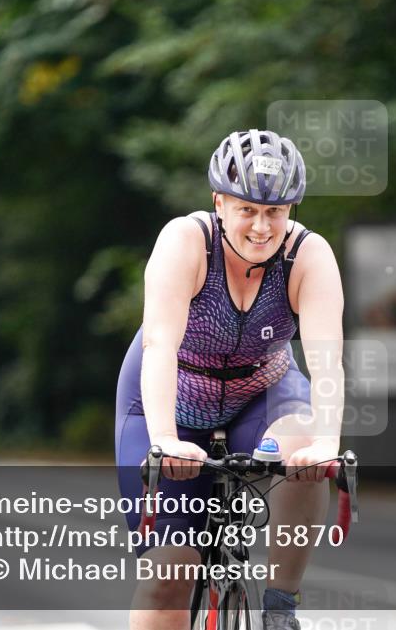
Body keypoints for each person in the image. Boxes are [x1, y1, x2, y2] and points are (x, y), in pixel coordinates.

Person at [115, 129, 345, 630]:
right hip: (172, 395)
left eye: (275, 211)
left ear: (292, 209)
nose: (261, 227)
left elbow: (327, 361)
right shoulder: (186, 241)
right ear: (219, 202)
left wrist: (326, 443)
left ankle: (281, 607)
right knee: (169, 578)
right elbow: (160, 346)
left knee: (304, 449)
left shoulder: (307, 255)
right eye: (247, 210)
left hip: (262, 387)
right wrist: (165, 440)